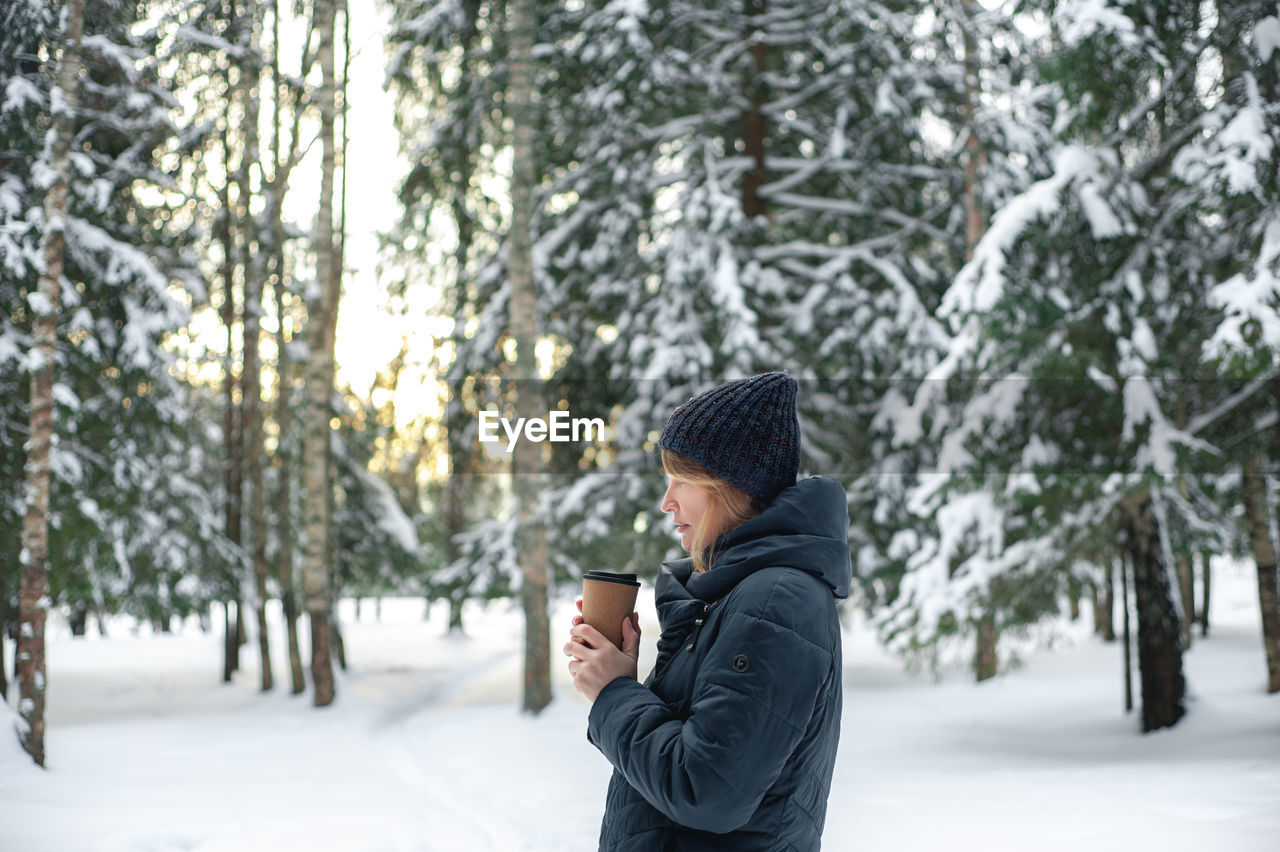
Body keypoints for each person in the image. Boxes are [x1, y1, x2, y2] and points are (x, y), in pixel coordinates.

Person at [564, 371, 851, 851]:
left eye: (682, 481)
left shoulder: (776, 601)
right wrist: (621, 676)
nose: (666, 502)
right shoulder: (737, 594)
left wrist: (613, 693)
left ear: (730, 484)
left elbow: (705, 789)